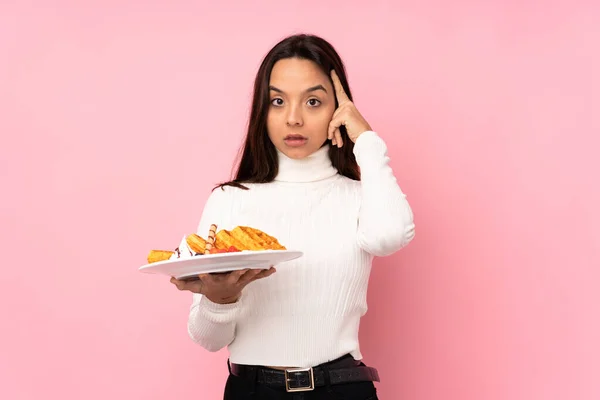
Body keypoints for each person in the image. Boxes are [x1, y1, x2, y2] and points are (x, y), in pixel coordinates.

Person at [170, 33, 415, 399]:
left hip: (341, 390)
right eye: (278, 101)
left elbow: (391, 235)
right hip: (252, 391)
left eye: (313, 101)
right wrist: (220, 299)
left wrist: (366, 139)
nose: (294, 118)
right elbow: (207, 339)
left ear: (338, 110)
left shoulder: (360, 197)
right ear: (261, 110)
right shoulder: (229, 200)